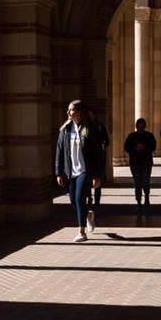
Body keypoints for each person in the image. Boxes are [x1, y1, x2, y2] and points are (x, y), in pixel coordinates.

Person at [54, 100, 105, 242]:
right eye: (68, 110)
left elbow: (97, 154)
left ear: (79, 112)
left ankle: (81, 231)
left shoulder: (90, 129)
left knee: (79, 199)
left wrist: (97, 175)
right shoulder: (65, 129)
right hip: (71, 171)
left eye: (71, 110)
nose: (68, 113)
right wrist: (59, 172)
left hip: (85, 171)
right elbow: (59, 151)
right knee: (73, 201)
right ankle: (88, 215)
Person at [82, 106, 110, 232]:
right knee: (87, 183)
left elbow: (107, 141)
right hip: (86, 162)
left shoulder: (99, 127)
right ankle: (89, 201)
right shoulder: (83, 129)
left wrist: (102, 145)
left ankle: (97, 204)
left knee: (97, 183)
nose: (90, 117)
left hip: (98, 159)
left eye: (92, 115)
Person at [123, 117, 157, 214]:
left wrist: (144, 147)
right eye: (139, 126)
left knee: (145, 181)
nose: (141, 128)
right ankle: (138, 202)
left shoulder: (149, 136)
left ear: (145, 126)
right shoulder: (131, 136)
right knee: (137, 183)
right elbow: (127, 147)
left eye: (142, 126)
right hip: (135, 163)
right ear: (136, 126)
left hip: (146, 162)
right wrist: (135, 149)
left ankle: (146, 197)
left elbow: (153, 146)